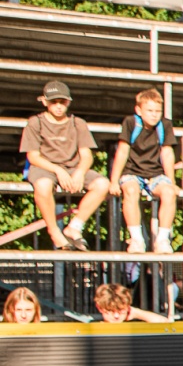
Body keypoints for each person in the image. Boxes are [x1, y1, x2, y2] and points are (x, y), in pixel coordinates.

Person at [19, 79, 108, 251]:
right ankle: (54, 231)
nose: (58, 106)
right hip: (44, 167)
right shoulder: (35, 122)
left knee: (103, 184)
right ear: (44, 102)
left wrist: (80, 172)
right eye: (54, 102)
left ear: (69, 102)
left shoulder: (78, 123)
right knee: (43, 186)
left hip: (73, 167)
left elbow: (86, 155)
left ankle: (75, 226)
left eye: (63, 102)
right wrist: (58, 170)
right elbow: (33, 156)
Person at [113, 88, 178, 254]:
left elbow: (167, 153)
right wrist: (114, 180)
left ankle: (162, 239)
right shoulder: (131, 123)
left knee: (169, 193)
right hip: (132, 172)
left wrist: (171, 181)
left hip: (156, 174)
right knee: (131, 190)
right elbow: (122, 151)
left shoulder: (165, 125)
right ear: (139, 110)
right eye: (149, 110)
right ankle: (136, 239)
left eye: (157, 111)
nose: (154, 115)